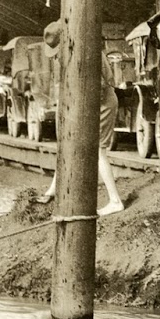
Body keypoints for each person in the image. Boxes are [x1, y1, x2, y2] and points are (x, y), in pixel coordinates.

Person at [40, 22, 124, 217]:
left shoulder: (87, 53)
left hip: (101, 103)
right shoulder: (77, 50)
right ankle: (53, 189)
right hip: (89, 104)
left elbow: (100, 87)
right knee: (67, 143)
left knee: (98, 152)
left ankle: (115, 201)